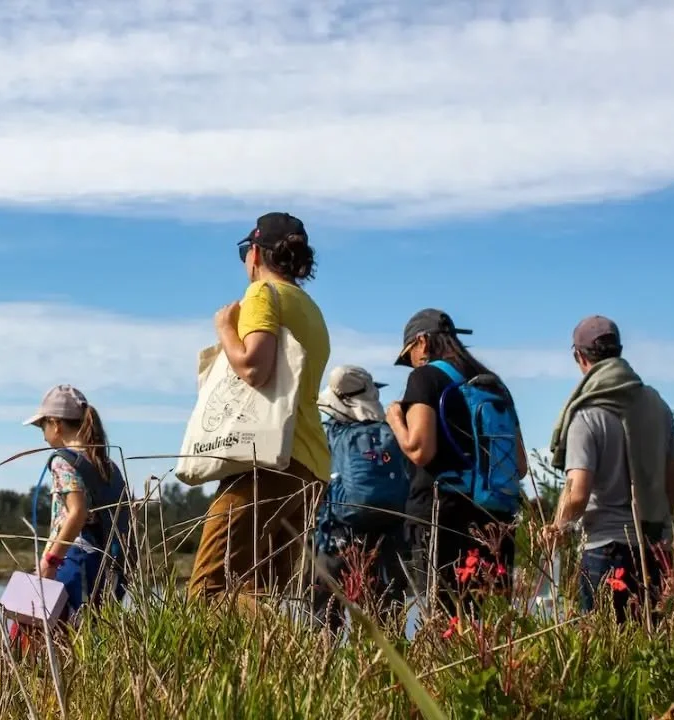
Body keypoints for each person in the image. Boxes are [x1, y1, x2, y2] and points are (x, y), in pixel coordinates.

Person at [188, 212, 331, 605]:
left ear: (254, 253)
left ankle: (295, 641)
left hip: (268, 460)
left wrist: (225, 327)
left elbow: (253, 366)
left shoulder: (262, 294)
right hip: (310, 465)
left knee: (209, 591)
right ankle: (290, 645)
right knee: (260, 590)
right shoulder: (310, 309)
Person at [386, 309, 528, 618]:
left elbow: (420, 450)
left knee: (443, 622)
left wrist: (395, 419)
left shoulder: (425, 377)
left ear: (422, 341)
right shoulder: (494, 385)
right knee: (490, 624)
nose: (412, 362)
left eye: (409, 354)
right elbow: (520, 465)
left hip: (441, 517)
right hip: (495, 522)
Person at [544, 316, 674, 623]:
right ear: (619, 350)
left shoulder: (587, 413)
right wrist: (658, 523)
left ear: (579, 356)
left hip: (604, 550)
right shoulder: (657, 404)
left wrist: (557, 527)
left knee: (605, 647)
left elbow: (577, 493)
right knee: (648, 642)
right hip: (652, 547)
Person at [312, 365, 410, 632]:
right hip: (385, 536)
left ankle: (324, 654)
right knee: (387, 618)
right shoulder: (388, 433)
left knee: (324, 618)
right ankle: (391, 658)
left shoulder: (329, 431)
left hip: (336, 536)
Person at [25, 384, 133, 619]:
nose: (43, 435)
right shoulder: (107, 465)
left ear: (56, 424)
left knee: (61, 630)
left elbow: (77, 512)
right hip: (106, 564)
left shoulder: (63, 461)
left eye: (43, 426)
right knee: (92, 629)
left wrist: (50, 561)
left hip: (74, 561)